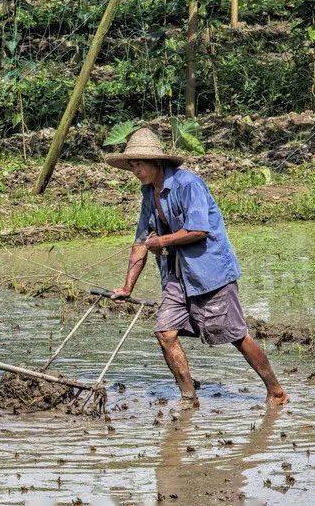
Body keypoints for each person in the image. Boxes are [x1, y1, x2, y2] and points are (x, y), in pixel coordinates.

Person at [105, 128, 288, 407]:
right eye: (132, 164)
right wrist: (127, 287)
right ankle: (189, 397)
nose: (136, 169)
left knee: (235, 335)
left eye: (140, 163)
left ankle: (275, 390)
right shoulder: (147, 194)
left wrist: (162, 241)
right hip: (177, 276)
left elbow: (199, 230)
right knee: (165, 334)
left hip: (210, 273)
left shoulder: (188, 184)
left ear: (157, 162)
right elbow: (140, 242)